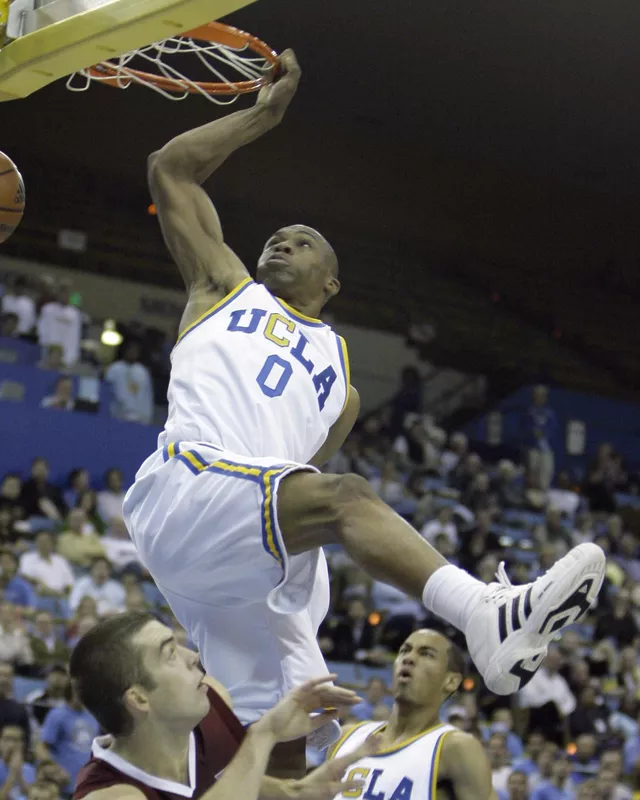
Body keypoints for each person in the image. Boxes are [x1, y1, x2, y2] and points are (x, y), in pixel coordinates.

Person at [125, 48, 605, 772]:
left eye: (304, 240)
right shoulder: (225, 287)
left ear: (333, 281)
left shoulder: (342, 384)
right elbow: (170, 168)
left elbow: (305, 478)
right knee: (345, 498)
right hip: (190, 488)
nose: (281, 240)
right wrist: (263, 115)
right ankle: (484, 615)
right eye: (274, 237)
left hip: (245, 550)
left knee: (285, 734)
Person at [70, 612, 366, 800]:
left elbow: (218, 779)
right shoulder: (112, 795)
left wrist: (296, 791)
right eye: (170, 654)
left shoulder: (211, 701)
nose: (193, 656)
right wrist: (263, 734)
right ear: (138, 699)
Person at [326, 629, 496, 799]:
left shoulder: (455, 747)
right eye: (404, 651)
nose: (409, 658)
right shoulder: (347, 736)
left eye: (426, 654)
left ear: (451, 681)